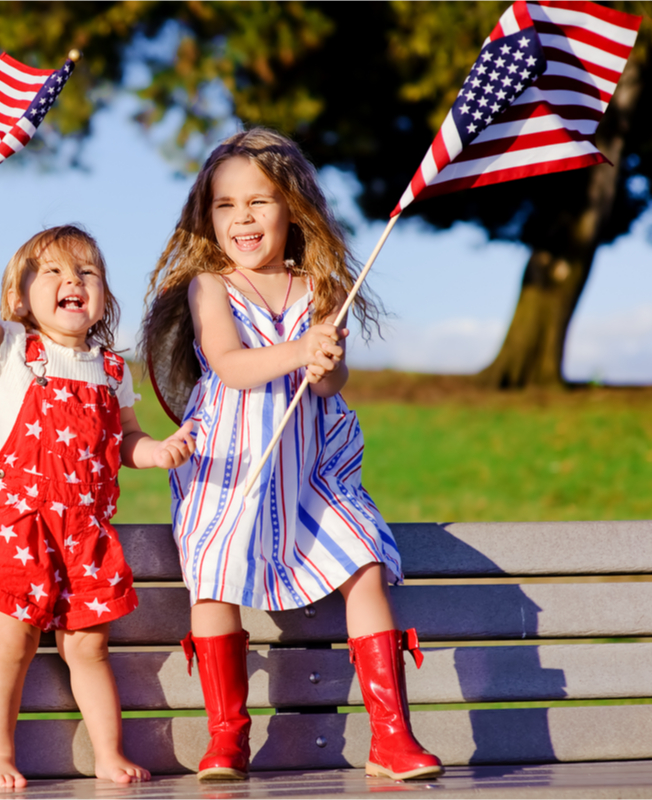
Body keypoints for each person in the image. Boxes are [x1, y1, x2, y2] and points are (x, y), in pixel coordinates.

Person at [140, 128, 443, 782]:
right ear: (207, 216)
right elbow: (230, 365)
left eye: (259, 202)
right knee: (215, 576)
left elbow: (330, 382)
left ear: (293, 208)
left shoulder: (319, 289)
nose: (242, 218)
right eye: (225, 205)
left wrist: (327, 359)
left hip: (311, 469)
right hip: (232, 468)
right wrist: (300, 352)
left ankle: (391, 736)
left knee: (362, 559)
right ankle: (228, 737)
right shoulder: (210, 287)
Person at [0, 221, 196, 789]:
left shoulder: (112, 368)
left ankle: (109, 753)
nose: (74, 280)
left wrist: (158, 451)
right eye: (54, 272)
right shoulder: (14, 350)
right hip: (19, 525)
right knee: (10, 648)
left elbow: (123, 442)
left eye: (87, 272)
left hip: (85, 532)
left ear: (103, 298)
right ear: (20, 298)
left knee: (89, 650)